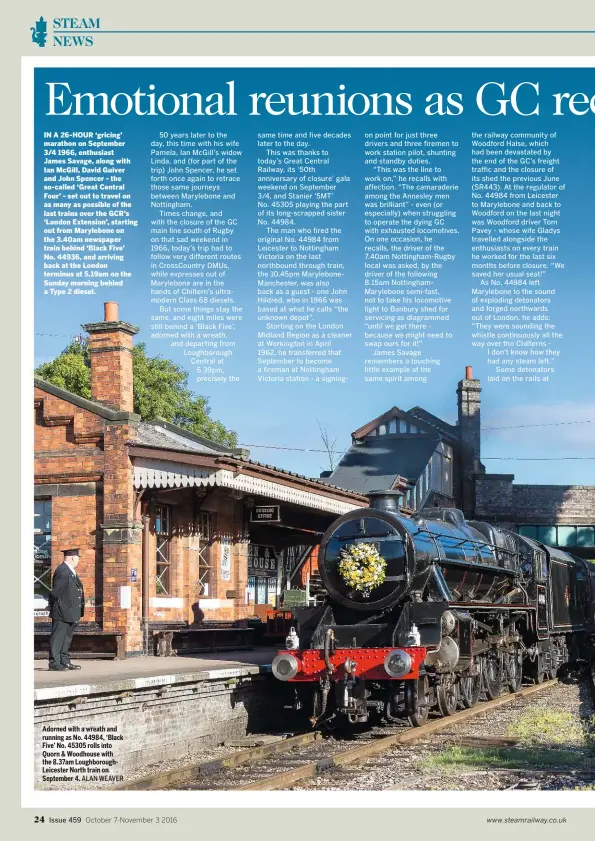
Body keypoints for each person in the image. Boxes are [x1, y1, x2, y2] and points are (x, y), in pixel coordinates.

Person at [48, 549, 85, 671]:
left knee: (66, 638)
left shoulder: (70, 571)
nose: (78, 560)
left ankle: (64, 661)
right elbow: (55, 593)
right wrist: (56, 607)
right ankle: (54, 662)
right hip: (62, 611)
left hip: (71, 612)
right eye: (78, 557)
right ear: (73, 557)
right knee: (58, 637)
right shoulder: (63, 571)